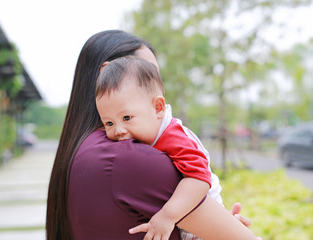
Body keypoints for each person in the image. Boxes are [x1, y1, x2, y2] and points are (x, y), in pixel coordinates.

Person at [46, 30, 259, 240]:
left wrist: (216, 226)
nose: (158, 87)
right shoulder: (128, 158)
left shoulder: (81, 152)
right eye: (150, 72)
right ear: (107, 72)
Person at [95, 55, 220, 240]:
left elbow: (199, 178)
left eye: (127, 118)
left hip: (203, 215)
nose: (119, 130)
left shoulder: (173, 136)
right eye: (109, 123)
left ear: (158, 108)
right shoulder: (144, 132)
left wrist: (167, 215)